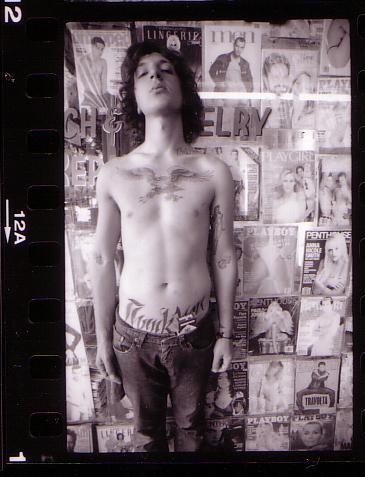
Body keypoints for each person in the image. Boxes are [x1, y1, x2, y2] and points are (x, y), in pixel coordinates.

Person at [90, 41, 236, 452]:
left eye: (165, 69)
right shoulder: (114, 173)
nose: (155, 75)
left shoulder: (213, 171)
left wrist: (226, 334)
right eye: (143, 73)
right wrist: (102, 339)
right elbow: (101, 258)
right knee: (146, 437)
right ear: (134, 99)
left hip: (196, 332)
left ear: (183, 89)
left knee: (193, 431)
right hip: (132, 336)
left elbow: (224, 255)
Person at [78, 36, 109, 113]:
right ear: (92, 47)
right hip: (87, 96)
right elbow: (81, 80)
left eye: (102, 49)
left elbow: (104, 81)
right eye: (98, 48)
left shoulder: (103, 62)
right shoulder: (82, 60)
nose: (100, 52)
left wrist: (103, 100)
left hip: (99, 97)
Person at [262, 52, 291, 129]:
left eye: (285, 77)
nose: (281, 83)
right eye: (276, 77)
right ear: (265, 80)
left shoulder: (289, 104)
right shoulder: (260, 107)